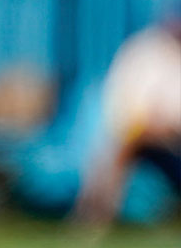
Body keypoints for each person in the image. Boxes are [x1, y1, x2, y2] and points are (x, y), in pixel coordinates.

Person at [74, 12, 181, 227]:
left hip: (173, 137)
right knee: (122, 147)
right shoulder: (144, 51)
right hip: (139, 132)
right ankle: (95, 216)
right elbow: (125, 104)